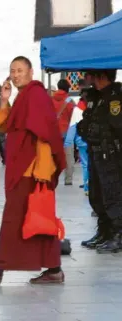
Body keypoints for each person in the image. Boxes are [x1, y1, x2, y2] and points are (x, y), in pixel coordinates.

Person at [0, 56, 66, 285]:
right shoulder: (22, 97)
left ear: (31, 72)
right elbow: (6, 126)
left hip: (32, 170)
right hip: (24, 167)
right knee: (38, 218)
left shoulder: (36, 94)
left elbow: (45, 134)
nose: (15, 75)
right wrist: (5, 100)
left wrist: (42, 171)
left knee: (15, 220)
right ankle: (54, 269)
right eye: (12, 71)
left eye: (20, 70)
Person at [78, 69, 122, 253]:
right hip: (95, 152)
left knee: (113, 194)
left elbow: (117, 125)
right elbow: (86, 122)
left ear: (101, 76)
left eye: (90, 74)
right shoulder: (95, 97)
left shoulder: (114, 97)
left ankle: (118, 235)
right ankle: (104, 231)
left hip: (110, 155)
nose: (87, 78)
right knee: (97, 194)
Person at [65, 88, 89, 195]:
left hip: (82, 141)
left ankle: (87, 187)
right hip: (96, 140)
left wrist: (67, 143)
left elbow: (72, 128)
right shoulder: (96, 106)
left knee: (85, 164)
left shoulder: (77, 109)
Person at [52, 79, 75, 185]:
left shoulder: (51, 100)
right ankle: (68, 179)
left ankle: (52, 177)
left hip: (54, 133)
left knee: (53, 156)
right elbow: (74, 118)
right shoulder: (70, 101)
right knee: (69, 157)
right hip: (67, 132)